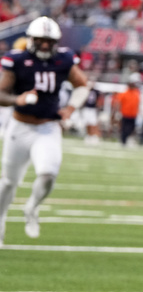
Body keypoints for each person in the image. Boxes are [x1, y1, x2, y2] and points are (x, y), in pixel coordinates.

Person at [0, 16, 91, 245]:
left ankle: (32, 207)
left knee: (48, 174)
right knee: (9, 182)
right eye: (40, 40)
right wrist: (17, 99)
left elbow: (82, 85)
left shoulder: (64, 59)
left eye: (49, 41)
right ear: (31, 39)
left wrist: (70, 108)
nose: (44, 45)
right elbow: (1, 94)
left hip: (48, 127)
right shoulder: (17, 60)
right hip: (20, 127)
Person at [114, 74, 141, 145]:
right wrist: (117, 112)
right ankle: (123, 141)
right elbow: (118, 103)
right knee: (124, 128)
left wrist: (139, 112)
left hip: (133, 114)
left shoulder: (136, 93)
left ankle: (128, 139)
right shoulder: (124, 93)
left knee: (132, 128)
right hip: (125, 113)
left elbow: (138, 104)